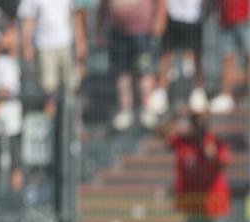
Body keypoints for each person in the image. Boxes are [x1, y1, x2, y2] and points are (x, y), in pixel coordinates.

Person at [97, 0, 167, 131]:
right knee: (122, 74)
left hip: (143, 32)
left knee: (145, 72)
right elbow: (103, 6)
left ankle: (147, 109)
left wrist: (159, 19)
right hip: (118, 33)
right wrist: (99, 29)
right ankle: (126, 109)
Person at [18, 0, 87, 115]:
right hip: (44, 46)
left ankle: (73, 126)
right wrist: (27, 45)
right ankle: (51, 127)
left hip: (66, 45)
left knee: (72, 87)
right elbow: (28, 20)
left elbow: (76, 16)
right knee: (49, 90)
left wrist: (81, 42)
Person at [152, 0, 207, 115]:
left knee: (195, 54)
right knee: (166, 53)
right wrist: (161, 14)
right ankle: (162, 91)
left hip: (194, 16)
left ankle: (198, 90)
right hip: (172, 14)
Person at [210, 0, 250, 115]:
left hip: (246, 17)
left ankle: (248, 94)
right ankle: (227, 95)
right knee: (227, 58)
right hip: (226, 18)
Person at [0, 20, 22, 192]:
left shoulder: (6, 64)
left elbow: (6, 90)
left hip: (9, 127)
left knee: (14, 165)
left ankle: (14, 203)